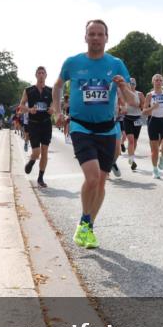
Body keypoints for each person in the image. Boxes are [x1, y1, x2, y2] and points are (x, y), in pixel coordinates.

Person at [52, 19, 135, 249]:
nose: (96, 38)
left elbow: (131, 100)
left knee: (101, 183)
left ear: (107, 38)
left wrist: (123, 87)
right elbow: (58, 86)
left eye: (100, 34)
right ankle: (85, 223)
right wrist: (58, 111)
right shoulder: (73, 62)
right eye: (92, 34)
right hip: (81, 126)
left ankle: (87, 225)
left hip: (107, 128)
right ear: (85, 37)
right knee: (92, 177)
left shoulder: (116, 64)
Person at [20, 66, 55, 188]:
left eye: (43, 73)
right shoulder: (28, 90)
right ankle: (32, 161)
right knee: (36, 152)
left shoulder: (51, 91)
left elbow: (54, 106)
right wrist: (29, 109)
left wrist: (52, 110)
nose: (41, 75)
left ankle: (40, 177)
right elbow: (21, 106)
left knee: (44, 151)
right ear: (36, 75)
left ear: (46, 75)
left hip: (46, 123)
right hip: (33, 124)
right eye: (39, 73)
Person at [143, 74, 163, 179]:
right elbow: (144, 111)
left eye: (160, 80)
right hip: (153, 121)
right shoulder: (149, 95)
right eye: (156, 80)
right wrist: (152, 107)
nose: (158, 82)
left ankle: (162, 157)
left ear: (162, 82)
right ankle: (155, 170)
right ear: (153, 82)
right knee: (155, 149)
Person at [123, 78, 145, 171]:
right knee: (131, 140)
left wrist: (138, 105)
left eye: (133, 83)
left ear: (135, 85)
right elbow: (121, 104)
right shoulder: (124, 93)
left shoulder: (139, 94)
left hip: (137, 118)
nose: (132, 85)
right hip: (127, 118)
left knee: (135, 141)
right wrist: (123, 108)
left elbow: (144, 106)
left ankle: (131, 156)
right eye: (130, 83)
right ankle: (132, 160)